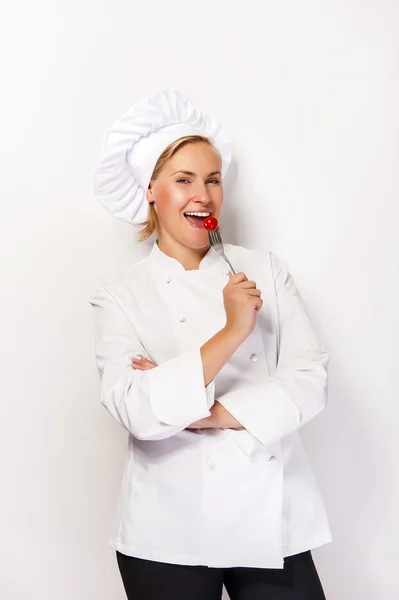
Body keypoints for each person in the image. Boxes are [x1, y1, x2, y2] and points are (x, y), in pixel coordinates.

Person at [89, 89, 332, 600]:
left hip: (272, 524)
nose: (203, 194)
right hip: (166, 530)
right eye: (184, 180)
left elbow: (310, 381)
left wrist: (203, 411)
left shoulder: (265, 270)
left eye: (213, 180)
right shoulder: (119, 298)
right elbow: (136, 410)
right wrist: (233, 330)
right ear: (151, 190)